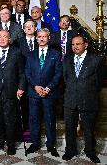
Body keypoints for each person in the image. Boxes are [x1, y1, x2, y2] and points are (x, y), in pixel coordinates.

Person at [62, 34, 105, 163]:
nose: (75, 46)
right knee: (70, 127)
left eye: (78, 44)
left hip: (88, 99)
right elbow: (66, 79)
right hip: (70, 99)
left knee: (89, 128)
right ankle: (70, 150)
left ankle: (90, 151)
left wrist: (86, 91)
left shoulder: (96, 60)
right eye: (73, 44)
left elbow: (100, 81)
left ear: (85, 45)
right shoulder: (67, 59)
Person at [0, 30, 25, 155]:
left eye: (5, 37)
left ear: (9, 39)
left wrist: (21, 88)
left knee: (10, 120)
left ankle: (11, 144)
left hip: (11, 92)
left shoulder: (16, 52)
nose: (2, 39)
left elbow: (22, 73)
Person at [25, 28, 62, 157]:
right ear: (36, 38)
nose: (41, 38)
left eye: (44, 36)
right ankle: (35, 143)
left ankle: (51, 145)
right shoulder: (30, 54)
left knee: (50, 119)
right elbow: (27, 73)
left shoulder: (55, 54)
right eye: (39, 36)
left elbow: (58, 73)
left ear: (49, 38)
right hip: (34, 93)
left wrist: (48, 88)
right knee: (34, 119)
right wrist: (35, 86)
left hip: (49, 93)